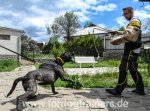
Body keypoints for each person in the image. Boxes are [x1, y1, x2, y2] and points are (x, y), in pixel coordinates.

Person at [106, 7, 145, 96]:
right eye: (123, 14)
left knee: (123, 68)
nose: (124, 16)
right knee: (133, 69)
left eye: (126, 14)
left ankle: (118, 90)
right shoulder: (132, 23)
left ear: (131, 12)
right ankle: (140, 89)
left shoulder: (135, 21)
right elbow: (126, 32)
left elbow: (130, 35)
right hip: (134, 49)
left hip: (131, 50)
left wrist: (115, 40)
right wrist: (116, 31)